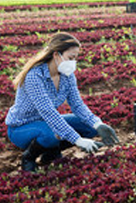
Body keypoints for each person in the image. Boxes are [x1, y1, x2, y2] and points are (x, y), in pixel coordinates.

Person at [5, 32, 120, 172]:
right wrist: (77, 140)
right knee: (51, 133)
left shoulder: (67, 76)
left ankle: (50, 153)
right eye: (70, 57)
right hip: (22, 127)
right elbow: (48, 112)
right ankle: (29, 157)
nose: (73, 62)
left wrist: (98, 123)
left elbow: (77, 105)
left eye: (75, 58)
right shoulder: (35, 76)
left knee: (87, 126)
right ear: (56, 55)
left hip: (46, 123)